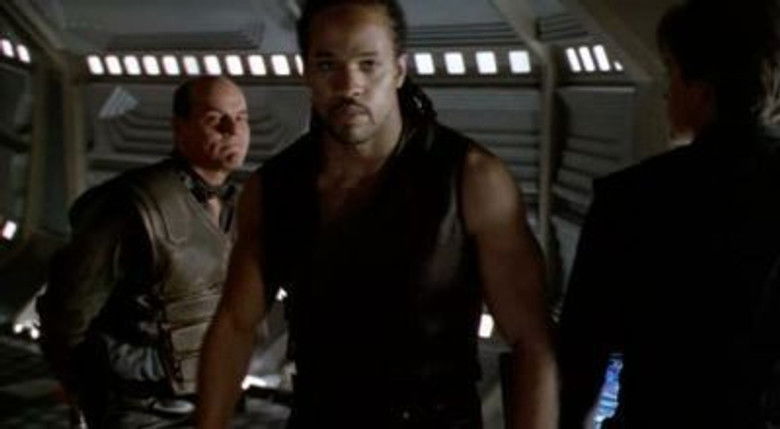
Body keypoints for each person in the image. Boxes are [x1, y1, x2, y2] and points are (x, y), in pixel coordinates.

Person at [196, 0, 557, 428]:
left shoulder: (471, 179)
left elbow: (531, 342)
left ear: (399, 70)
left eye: (368, 65)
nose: (349, 85)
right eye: (328, 65)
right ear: (306, 73)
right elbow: (235, 325)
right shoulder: (275, 188)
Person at [558, 1, 780, 428]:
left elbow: (581, 358)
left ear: (702, 89)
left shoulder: (631, 199)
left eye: (672, 73)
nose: (665, 92)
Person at [36, 76, 250, 428]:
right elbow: (66, 314)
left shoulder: (238, 207)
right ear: (179, 128)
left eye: (241, 118)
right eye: (215, 119)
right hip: (140, 409)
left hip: (211, 403)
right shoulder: (131, 204)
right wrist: (86, 394)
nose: (233, 130)